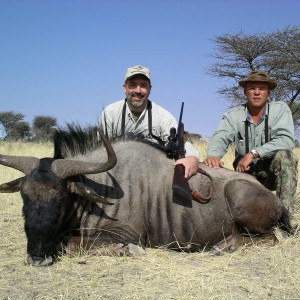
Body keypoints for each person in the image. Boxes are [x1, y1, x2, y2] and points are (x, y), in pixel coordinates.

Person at [204, 70, 298, 217]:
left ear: (268, 92)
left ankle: (284, 220)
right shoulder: (232, 115)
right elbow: (220, 137)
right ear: (244, 91)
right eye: (252, 88)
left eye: (261, 88)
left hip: (272, 173)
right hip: (244, 173)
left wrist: (253, 153)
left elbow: (286, 140)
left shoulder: (280, 109)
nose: (256, 92)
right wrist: (213, 155)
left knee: (286, 157)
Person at [99, 65, 199, 179]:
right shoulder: (109, 114)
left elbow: (181, 144)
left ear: (150, 89)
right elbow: (99, 151)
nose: (138, 90)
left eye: (143, 85)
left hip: (153, 178)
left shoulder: (164, 117)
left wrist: (192, 158)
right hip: (118, 175)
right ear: (124, 88)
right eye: (132, 85)